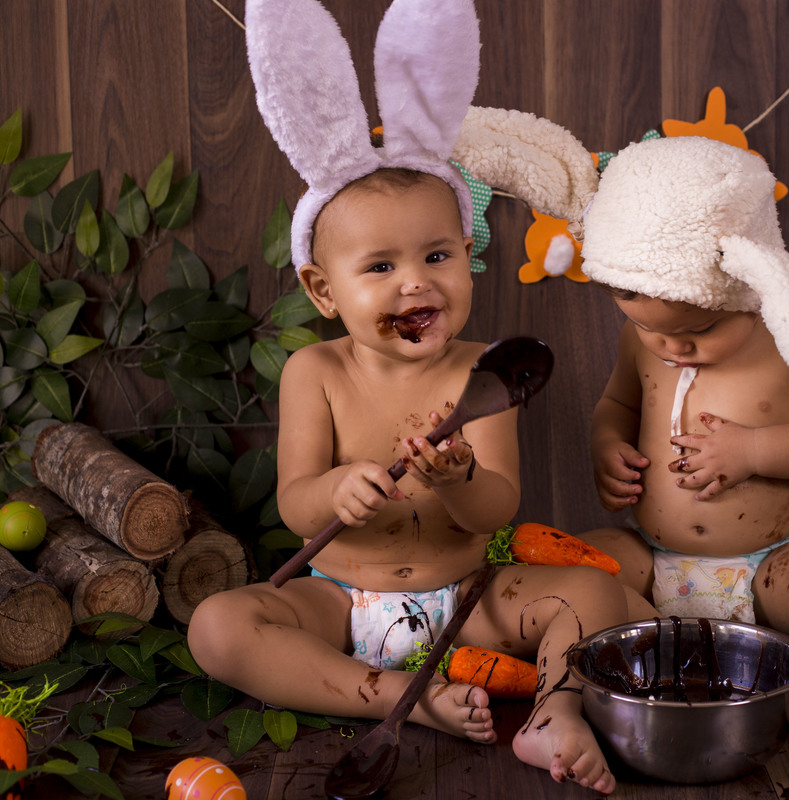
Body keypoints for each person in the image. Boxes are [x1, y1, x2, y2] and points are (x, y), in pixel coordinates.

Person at [190, 1, 624, 792]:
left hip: (468, 595)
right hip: (342, 604)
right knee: (218, 625)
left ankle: (556, 713)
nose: (416, 280)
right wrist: (334, 490)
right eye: (380, 267)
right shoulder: (313, 373)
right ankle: (401, 699)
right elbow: (294, 503)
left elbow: (497, 512)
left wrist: (460, 479)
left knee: (598, 591)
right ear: (323, 291)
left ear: (468, 256)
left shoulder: (482, 374)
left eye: (436, 254)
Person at [577, 135, 789, 743]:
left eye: (698, 330)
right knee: (574, 569)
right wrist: (607, 446)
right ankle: (642, 657)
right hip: (655, 559)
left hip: (770, 563)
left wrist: (753, 451)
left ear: (748, 281)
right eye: (648, 329)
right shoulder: (647, 333)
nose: (670, 349)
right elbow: (618, 404)